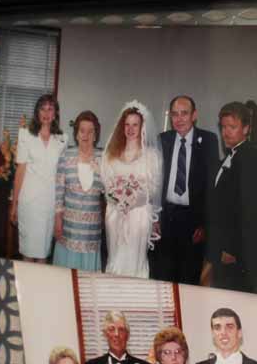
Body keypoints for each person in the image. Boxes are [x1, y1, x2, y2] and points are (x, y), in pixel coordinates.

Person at [153, 95, 219, 284]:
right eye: (174, 114)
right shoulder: (162, 139)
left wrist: (204, 224)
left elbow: (211, 187)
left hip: (193, 222)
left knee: (188, 278)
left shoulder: (208, 141)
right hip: (166, 218)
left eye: (184, 113)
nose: (179, 119)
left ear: (194, 115)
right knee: (163, 277)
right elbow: (155, 181)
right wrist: (155, 217)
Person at [205, 102, 257, 292]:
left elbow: (250, 209)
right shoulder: (230, 156)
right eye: (223, 127)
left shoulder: (251, 158)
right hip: (221, 247)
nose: (226, 132)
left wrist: (231, 249)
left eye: (232, 127)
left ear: (246, 129)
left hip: (235, 252)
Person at [101, 100, 162, 277]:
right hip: (115, 215)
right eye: (127, 124)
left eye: (135, 124)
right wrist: (118, 199)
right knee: (116, 258)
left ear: (142, 126)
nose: (130, 129)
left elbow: (154, 187)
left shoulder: (151, 156)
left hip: (139, 216)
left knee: (134, 261)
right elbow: (107, 183)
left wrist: (133, 199)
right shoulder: (111, 155)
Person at [10, 94, 68, 263]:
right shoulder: (26, 135)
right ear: (37, 112)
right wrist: (14, 204)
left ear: (56, 113)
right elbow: (20, 171)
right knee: (27, 253)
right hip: (28, 203)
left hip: (49, 203)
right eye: (42, 108)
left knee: (43, 254)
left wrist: (60, 210)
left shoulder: (63, 139)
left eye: (50, 109)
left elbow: (62, 176)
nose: (46, 113)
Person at [53, 110, 104, 271]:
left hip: (91, 231)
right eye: (82, 130)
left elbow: (108, 190)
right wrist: (58, 220)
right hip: (69, 229)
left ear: (96, 135)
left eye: (91, 131)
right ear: (76, 134)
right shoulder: (66, 156)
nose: (86, 135)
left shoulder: (103, 158)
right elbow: (59, 191)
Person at [84, 310, 155, 364]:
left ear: (128, 335)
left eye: (121, 329)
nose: (116, 334)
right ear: (105, 334)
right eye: (111, 329)